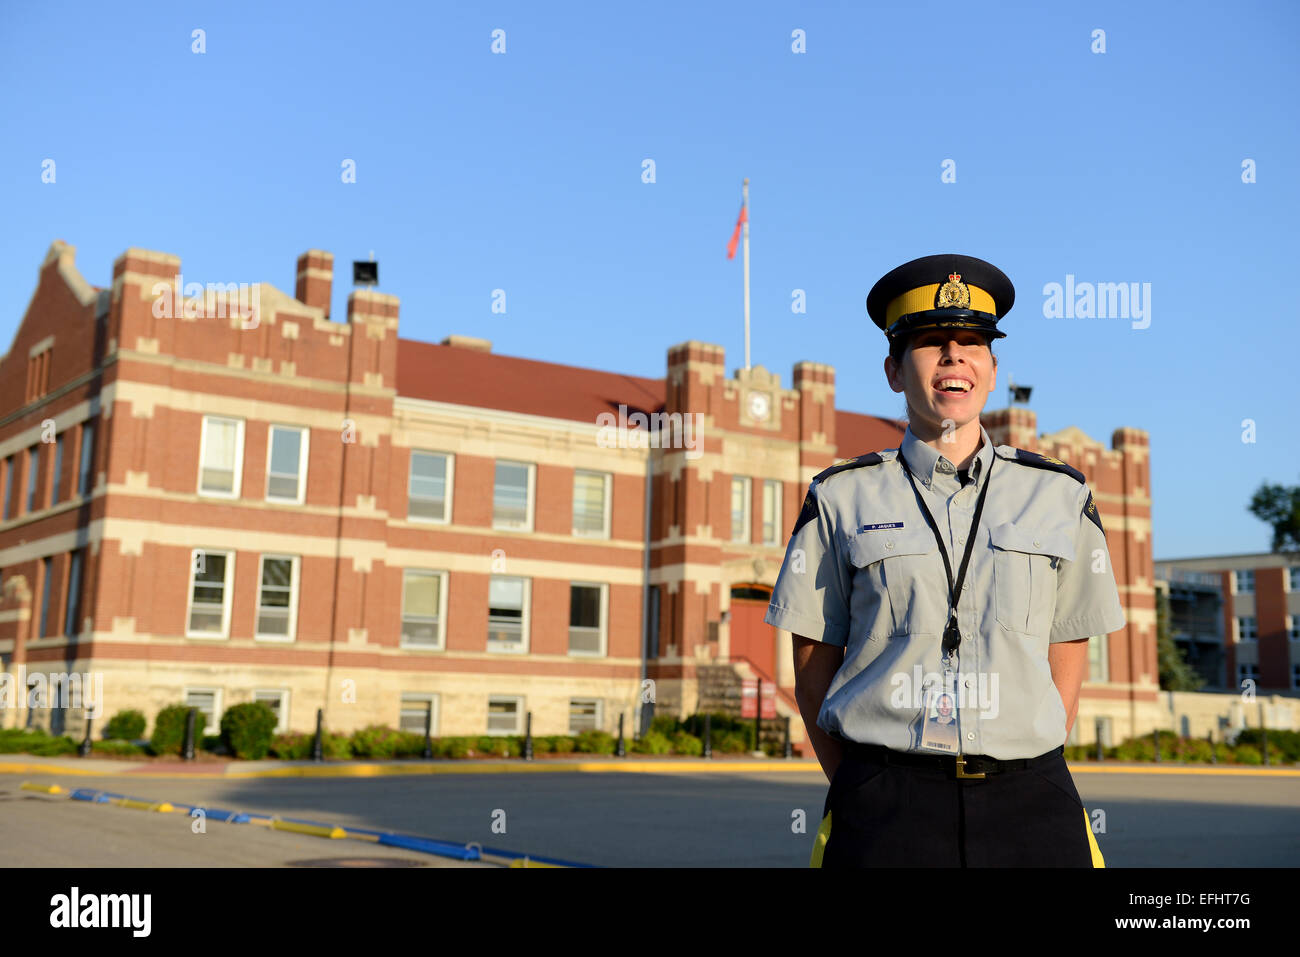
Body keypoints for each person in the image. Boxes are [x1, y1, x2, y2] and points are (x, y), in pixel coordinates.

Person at [764, 253, 1125, 868]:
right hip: (886, 806)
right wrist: (862, 784)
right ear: (893, 371)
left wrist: (1029, 745)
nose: (954, 356)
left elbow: (1069, 643)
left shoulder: (1060, 495)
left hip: (1031, 802)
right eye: (931, 342)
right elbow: (812, 656)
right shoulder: (840, 497)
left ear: (990, 369)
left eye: (972, 343)